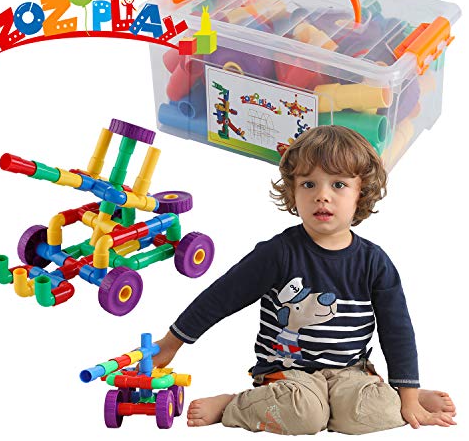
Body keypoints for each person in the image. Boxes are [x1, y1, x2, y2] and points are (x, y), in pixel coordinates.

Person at [153, 126, 456, 435]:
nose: (322, 195)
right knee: (305, 416)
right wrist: (171, 343)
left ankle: (399, 397)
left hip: (351, 373)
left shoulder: (374, 262)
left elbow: (397, 331)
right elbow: (221, 297)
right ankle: (234, 405)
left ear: (361, 192)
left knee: (378, 413)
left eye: (338, 184)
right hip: (288, 373)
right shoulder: (278, 253)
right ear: (293, 192)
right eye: (308, 184)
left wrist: (408, 397)